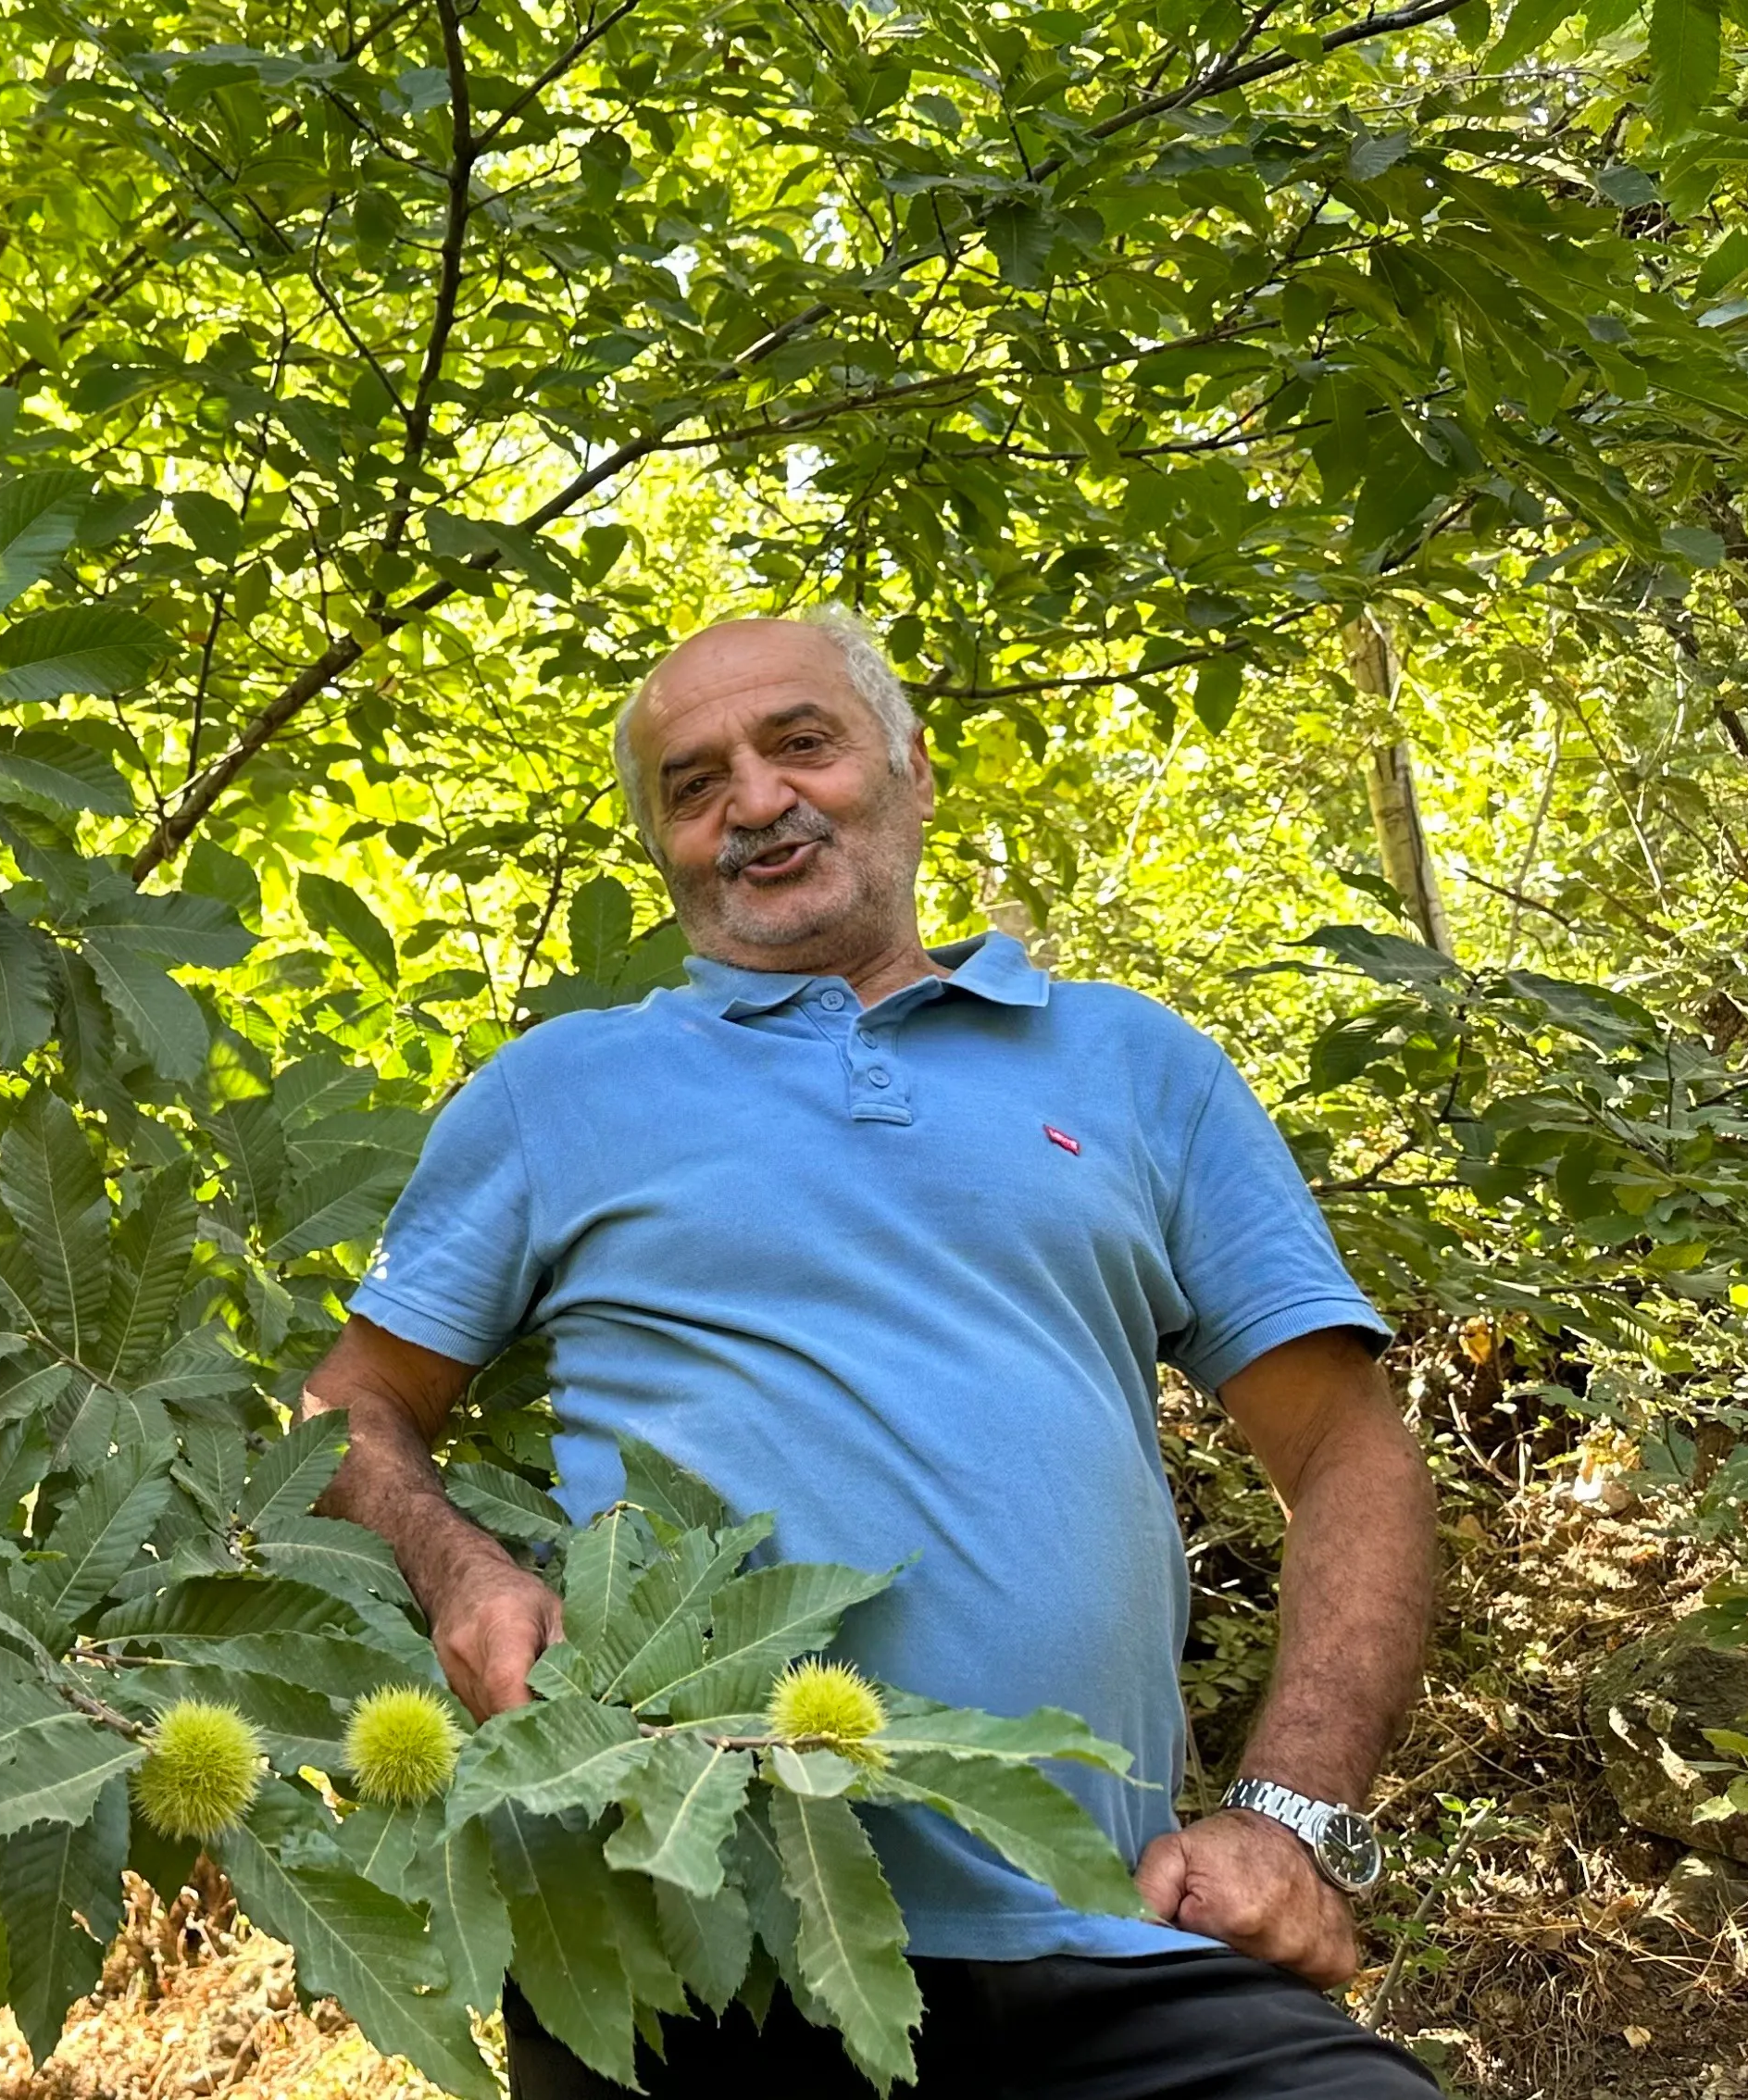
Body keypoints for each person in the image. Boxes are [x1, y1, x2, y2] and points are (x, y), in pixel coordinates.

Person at [306, 612, 1440, 2097]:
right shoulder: (555, 1092)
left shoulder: (1135, 1065)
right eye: (694, 783)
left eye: (800, 743)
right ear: (662, 846)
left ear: (908, 766)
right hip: (690, 1939)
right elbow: (346, 1412)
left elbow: (1349, 1448)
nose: (756, 802)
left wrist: (1292, 1821)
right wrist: (460, 1567)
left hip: (1109, 1934)